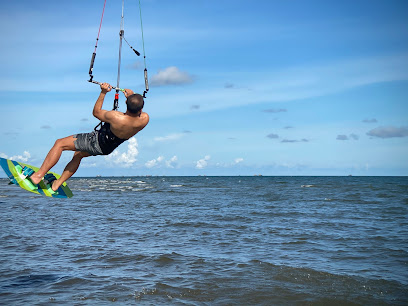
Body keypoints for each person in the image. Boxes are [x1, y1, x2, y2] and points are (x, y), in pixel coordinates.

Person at [26, 83, 149, 193]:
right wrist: (131, 97)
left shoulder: (116, 117)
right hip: (107, 148)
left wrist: (103, 92)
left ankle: (38, 176)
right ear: (141, 108)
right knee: (78, 155)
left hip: (95, 141)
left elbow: (96, 112)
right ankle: (56, 184)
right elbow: (136, 110)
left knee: (59, 144)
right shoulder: (144, 120)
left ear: (126, 104)